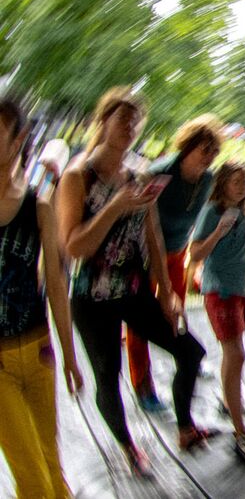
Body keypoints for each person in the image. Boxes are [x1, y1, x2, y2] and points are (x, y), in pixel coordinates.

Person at [56, 88, 212, 477]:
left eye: (136, 121)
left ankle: (185, 427)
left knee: (190, 353)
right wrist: (114, 207)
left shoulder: (139, 175)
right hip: (91, 297)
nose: (130, 126)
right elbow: (73, 247)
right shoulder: (78, 177)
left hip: (135, 289)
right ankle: (128, 447)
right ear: (102, 121)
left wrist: (167, 291)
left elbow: (154, 236)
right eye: (123, 118)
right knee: (108, 377)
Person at [0, 99, 83, 498]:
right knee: (32, 475)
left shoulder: (39, 206)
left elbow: (55, 284)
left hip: (37, 351)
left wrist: (68, 354)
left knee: (51, 466)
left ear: (17, 141)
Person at [127, 114, 221, 412]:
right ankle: (142, 384)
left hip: (178, 254)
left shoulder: (207, 179)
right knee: (142, 322)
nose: (209, 157)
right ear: (188, 147)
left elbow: (205, 214)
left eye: (214, 151)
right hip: (145, 257)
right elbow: (139, 219)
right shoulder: (160, 173)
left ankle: (186, 358)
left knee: (177, 310)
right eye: (204, 150)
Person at [189, 162, 245, 467]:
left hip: (241, 289)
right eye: (235, 181)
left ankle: (229, 396)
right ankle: (240, 432)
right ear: (222, 184)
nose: (242, 186)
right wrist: (218, 233)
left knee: (233, 356)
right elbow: (194, 255)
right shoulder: (213, 212)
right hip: (219, 290)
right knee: (236, 355)